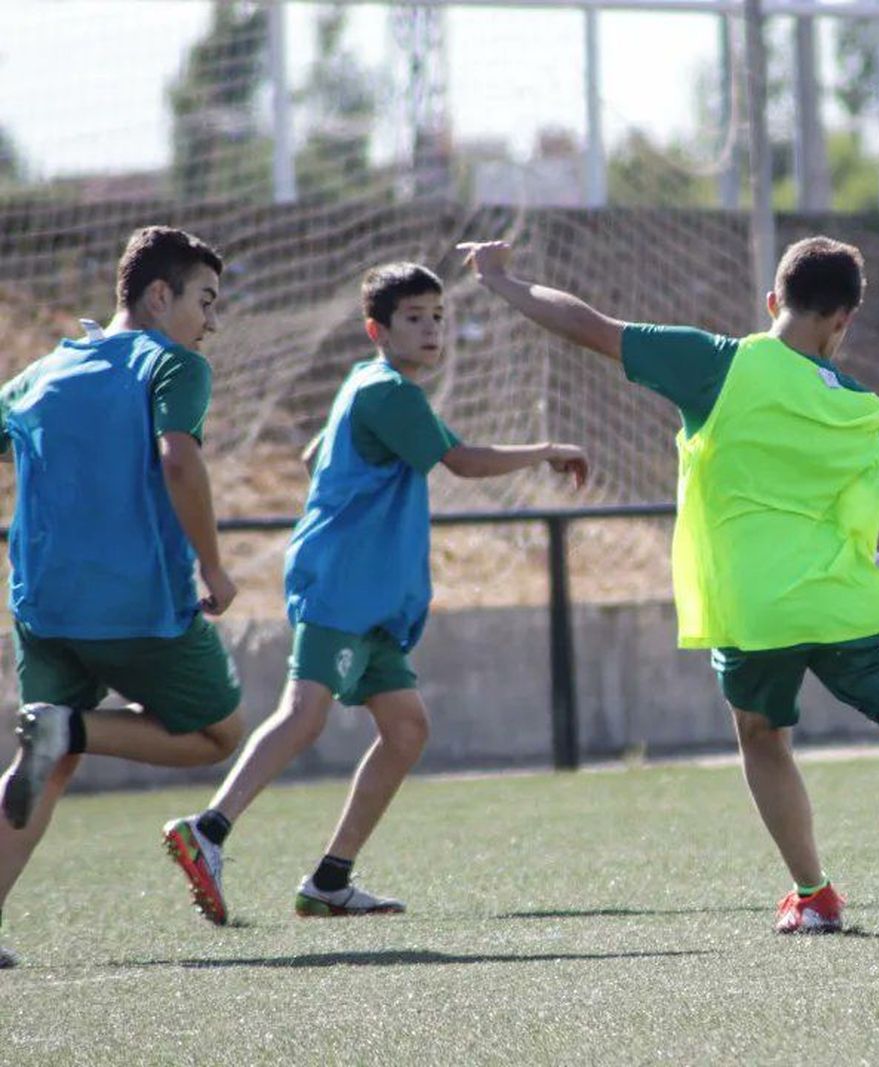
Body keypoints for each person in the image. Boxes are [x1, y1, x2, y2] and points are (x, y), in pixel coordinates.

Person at [458, 234, 879, 934]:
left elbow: (587, 325)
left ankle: (814, 894)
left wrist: (501, 280)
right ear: (844, 321)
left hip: (754, 608)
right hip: (851, 604)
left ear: (773, 302)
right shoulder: (864, 410)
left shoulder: (716, 364)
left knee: (762, 734)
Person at [163, 262, 589, 924]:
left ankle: (330, 879)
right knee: (304, 714)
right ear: (377, 329)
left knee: (406, 726)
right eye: (414, 318)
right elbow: (464, 461)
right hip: (341, 583)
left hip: (372, 595)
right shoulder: (389, 392)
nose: (430, 329)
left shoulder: (369, 385)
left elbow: (313, 455)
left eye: (438, 316)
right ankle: (209, 829)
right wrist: (547, 449)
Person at [0, 226, 247, 967]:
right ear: (158, 294)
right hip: (138, 606)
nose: (211, 320)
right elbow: (179, 460)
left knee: (45, 759)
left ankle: (59, 733)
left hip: (43, 606)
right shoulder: (173, 364)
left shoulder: (40, 372)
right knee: (219, 734)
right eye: (204, 300)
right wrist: (214, 565)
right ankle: (70, 728)